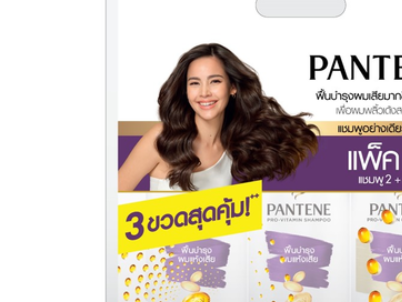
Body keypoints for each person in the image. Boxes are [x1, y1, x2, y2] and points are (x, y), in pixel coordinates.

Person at [118, 43, 319, 191]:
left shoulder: (233, 144)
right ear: (185, 91)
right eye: (194, 83)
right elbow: (111, 204)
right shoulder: (162, 139)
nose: (204, 92)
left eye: (215, 81)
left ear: (232, 87)